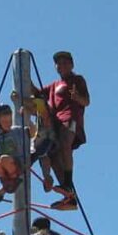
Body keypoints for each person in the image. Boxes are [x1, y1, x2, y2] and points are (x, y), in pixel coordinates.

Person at [32, 51, 89, 211]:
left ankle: (68, 182)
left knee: (65, 144)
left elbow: (86, 101)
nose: (61, 66)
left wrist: (76, 96)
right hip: (56, 123)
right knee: (53, 153)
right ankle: (68, 195)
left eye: (65, 62)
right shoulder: (54, 85)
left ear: (71, 65)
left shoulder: (77, 80)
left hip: (70, 119)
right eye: (59, 63)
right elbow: (37, 93)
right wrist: (25, 79)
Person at [0, 103, 33, 202]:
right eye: (4, 121)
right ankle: (5, 189)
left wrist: (27, 119)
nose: (8, 123)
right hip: (5, 171)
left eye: (9, 120)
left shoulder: (17, 131)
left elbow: (33, 133)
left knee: (4, 158)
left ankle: (4, 189)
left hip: (19, 165)